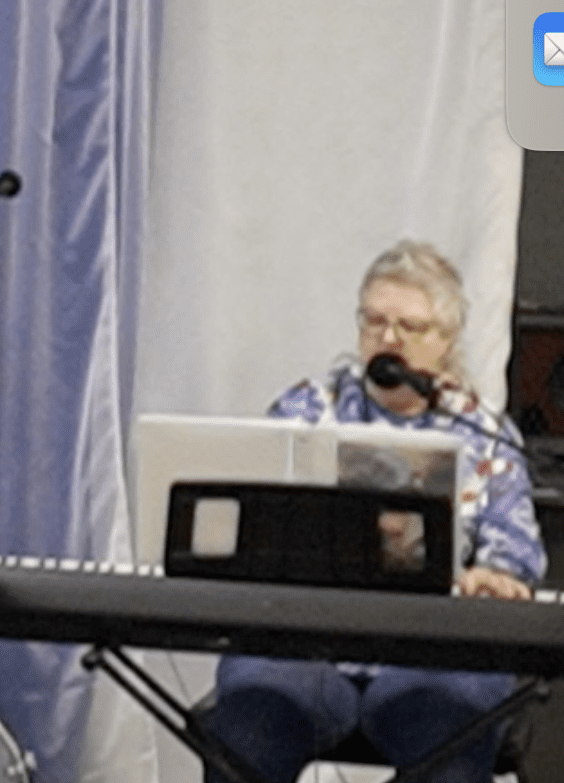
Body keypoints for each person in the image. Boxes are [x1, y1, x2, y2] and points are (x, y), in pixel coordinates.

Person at [200, 241, 546, 783]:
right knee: (251, 720)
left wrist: (495, 576)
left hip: (433, 652)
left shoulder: (487, 433)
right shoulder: (307, 411)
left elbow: (516, 551)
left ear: (448, 341)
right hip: (306, 650)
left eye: (411, 327)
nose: (389, 340)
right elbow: (248, 522)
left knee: (446, 725)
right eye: (375, 322)